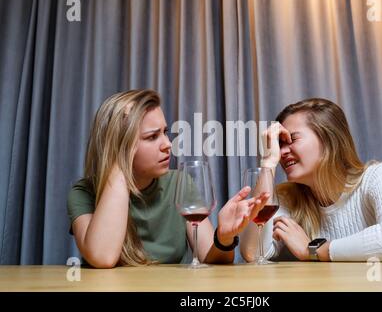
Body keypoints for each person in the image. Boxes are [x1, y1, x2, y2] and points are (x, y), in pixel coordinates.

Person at [67, 89, 268, 268]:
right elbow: (103, 257)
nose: (168, 144)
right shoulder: (84, 192)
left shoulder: (179, 183)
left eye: (165, 132)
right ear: (121, 145)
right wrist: (118, 160)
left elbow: (211, 258)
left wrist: (224, 237)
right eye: (152, 137)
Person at [240, 98, 382, 262]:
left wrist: (313, 250)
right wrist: (267, 164)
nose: (282, 152)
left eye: (292, 139)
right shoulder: (285, 197)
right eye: (279, 144)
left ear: (328, 139)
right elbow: (253, 253)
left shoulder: (378, 176)